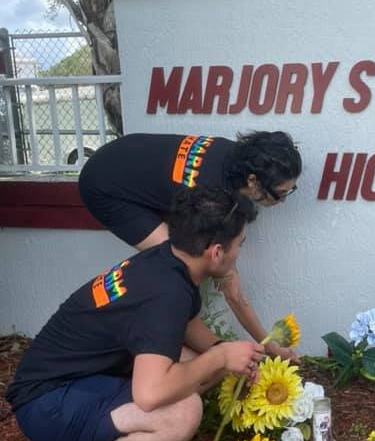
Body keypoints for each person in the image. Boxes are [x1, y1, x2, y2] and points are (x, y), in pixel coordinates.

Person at [6, 187, 265, 441]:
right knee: (183, 412)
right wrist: (220, 356)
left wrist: (221, 349)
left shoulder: (167, 261)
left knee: (195, 362)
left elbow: (184, 325)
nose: (239, 254)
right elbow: (150, 394)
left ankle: (102, 436)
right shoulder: (165, 294)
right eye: (240, 245)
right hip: (47, 406)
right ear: (216, 252)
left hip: (71, 379)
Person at [78, 130, 302, 360]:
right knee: (180, 264)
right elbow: (233, 291)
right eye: (280, 194)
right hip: (104, 186)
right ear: (253, 181)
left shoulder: (237, 159)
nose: (283, 201)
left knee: (198, 262)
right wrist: (271, 347)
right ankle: (168, 351)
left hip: (120, 157)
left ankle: (207, 350)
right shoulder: (212, 193)